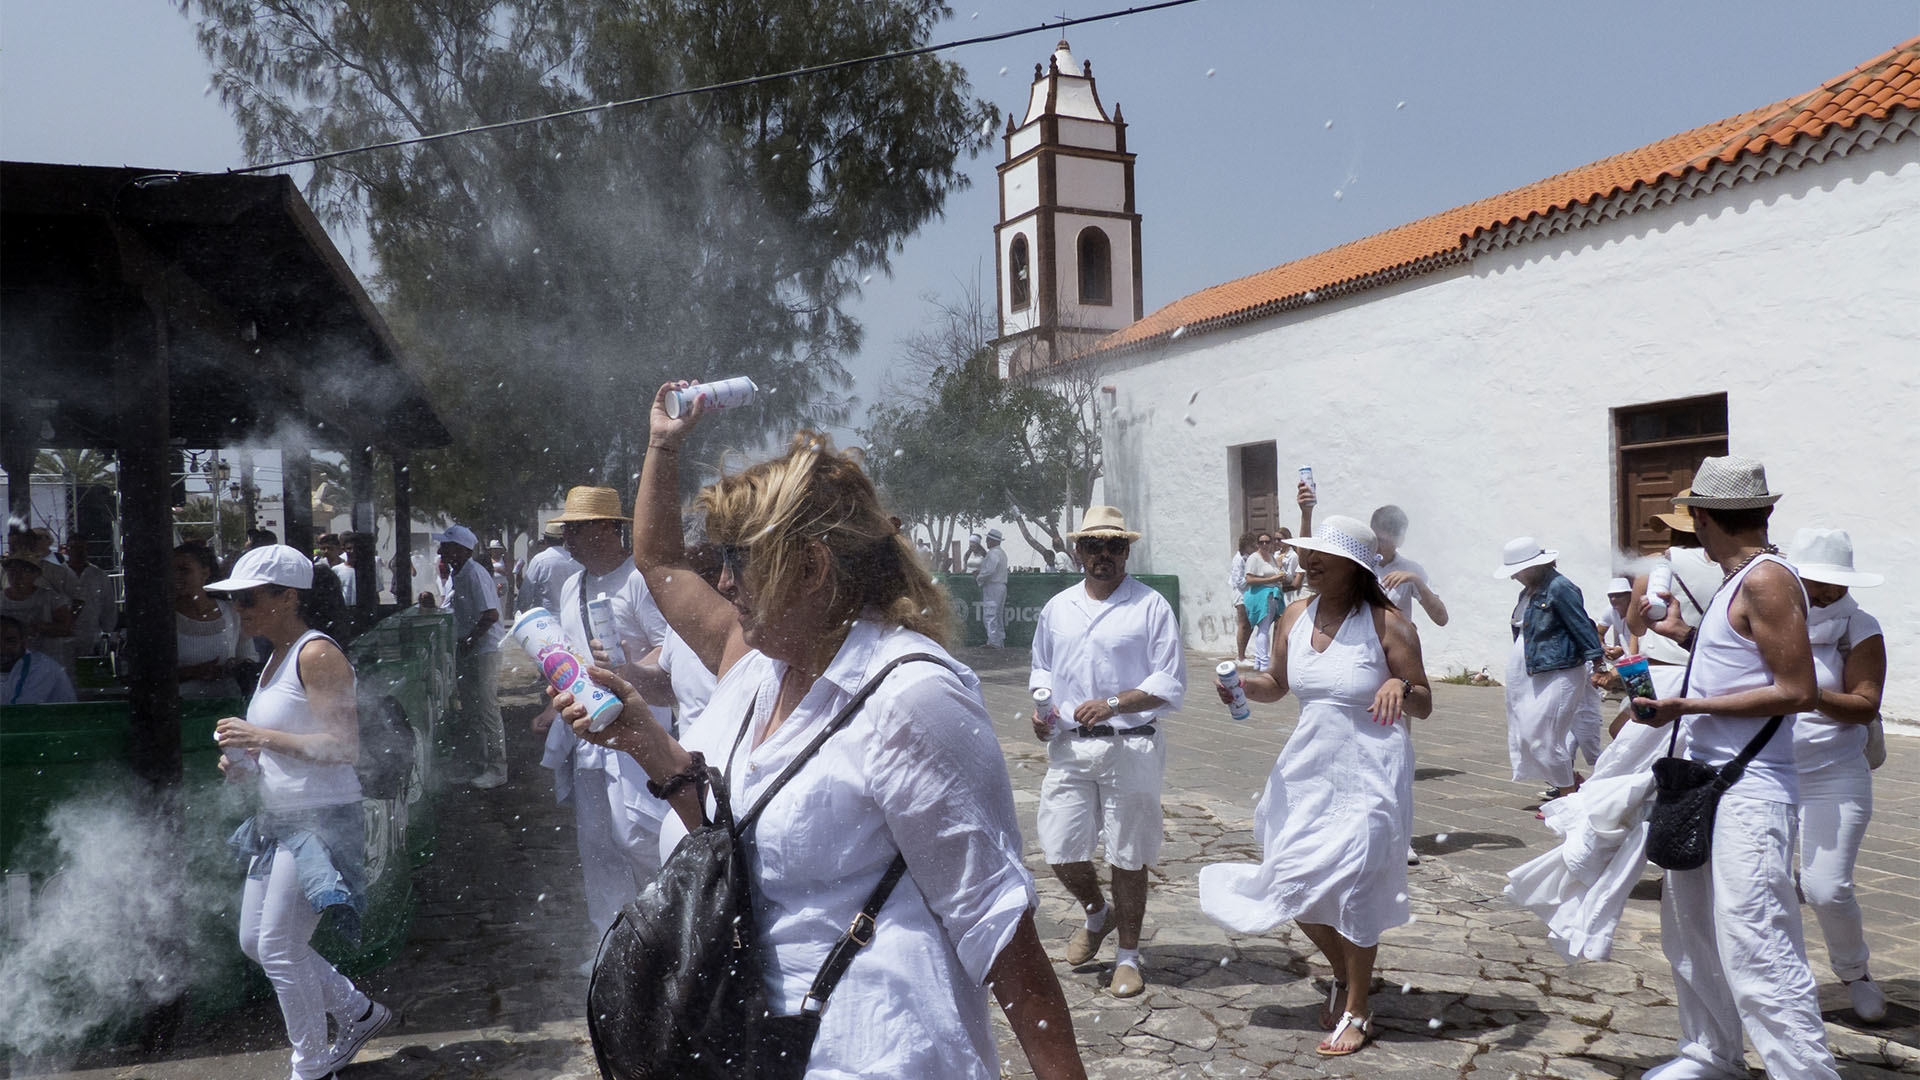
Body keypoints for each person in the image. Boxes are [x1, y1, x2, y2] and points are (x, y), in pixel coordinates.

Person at [555, 382, 1086, 1079]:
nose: (724, 581)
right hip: (755, 1042)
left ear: (811, 568)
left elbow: (996, 924)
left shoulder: (909, 696)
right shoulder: (758, 667)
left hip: (875, 1051)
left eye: (739, 560)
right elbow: (730, 837)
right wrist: (643, 741)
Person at [1630, 456, 1838, 1080]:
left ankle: (1804, 1072)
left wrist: (1687, 703)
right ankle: (1711, 1053)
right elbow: (1738, 661)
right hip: (1705, 779)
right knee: (1692, 931)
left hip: (1749, 787)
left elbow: (1797, 688)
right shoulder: (1737, 578)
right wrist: (1677, 643)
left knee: (1758, 941)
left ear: (1702, 517)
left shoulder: (1767, 580)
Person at [1198, 515, 1432, 1057]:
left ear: (1354, 566)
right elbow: (1277, 684)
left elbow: (1423, 699)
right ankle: (1345, 972)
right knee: (1294, 881)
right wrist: (1237, 685)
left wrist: (1399, 682)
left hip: (1372, 770)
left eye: (1321, 556)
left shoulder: (1388, 625)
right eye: (1306, 554)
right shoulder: (1295, 617)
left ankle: (1358, 1009)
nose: (1307, 562)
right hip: (1308, 770)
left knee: (1356, 886)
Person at [207, 545, 393, 1080]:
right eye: (234, 600)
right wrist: (247, 764)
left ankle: (310, 1067)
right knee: (255, 943)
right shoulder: (274, 657)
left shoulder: (316, 654)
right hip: (282, 818)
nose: (238, 610)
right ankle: (356, 1012)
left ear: (288, 597)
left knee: (280, 948)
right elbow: (291, 746)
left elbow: (342, 747)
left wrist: (257, 736)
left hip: (321, 817)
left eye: (247, 599)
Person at [1029, 506, 1186, 998]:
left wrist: (1116, 703)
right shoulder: (1058, 608)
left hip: (1131, 745)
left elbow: (1168, 682)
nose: (1103, 555)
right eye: (1093, 545)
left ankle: (1128, 956)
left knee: (1129, 855)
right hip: (1070, 748)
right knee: (1060, 849)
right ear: (1078, 550)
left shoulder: (1151, 606)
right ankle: (1098, 912)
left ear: (1127, 551)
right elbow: (1041, 670)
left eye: (1113, 546)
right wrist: (1043, 711)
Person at [531, 485, 674, 962]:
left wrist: (627, 669)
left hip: (638, 730)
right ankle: (614, 950)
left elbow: (668, 654)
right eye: (566, 530)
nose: (569, 539)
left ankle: (671, 932)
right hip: (588, 735)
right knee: (596, 844)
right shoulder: (573, 586)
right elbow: (570, 659)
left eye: (578, 528)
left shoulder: (640, 580)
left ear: (608, 528)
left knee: (641, 836)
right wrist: (555, 705)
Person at [1783, 527, 1888, 1023]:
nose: (1825, 593)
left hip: (1834, 772)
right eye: (1815, 583)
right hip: (1767, 773)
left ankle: (1855, 973)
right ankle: (1778, 981)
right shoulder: (1769, 617)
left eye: (1835, 585)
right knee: (1764, 886)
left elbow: (1865, 705)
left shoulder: (1858, 627)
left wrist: (1805, 693)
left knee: (1826, 887)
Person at [1498, 538, 1607, 801]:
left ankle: (1568, 799)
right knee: (1527, 734)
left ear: (1534, 566)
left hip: (1559, 671)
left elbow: (1581, 625)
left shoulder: (1560, 587)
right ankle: (1570, 784)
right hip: (1531, 672)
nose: (1514, 577)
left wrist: (1598, 662)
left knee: (1544, 738)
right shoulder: (1527, 593)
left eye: (1517, 570)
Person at [1621, 492, 1720, 733]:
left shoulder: (1656, 563)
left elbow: (1636, 626)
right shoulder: (1728, 565)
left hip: (1663, 676)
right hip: (1709, 675)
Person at [436, 525, 507, 788]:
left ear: (462, 550)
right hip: (470, 648)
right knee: (472, 710)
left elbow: (491, 615)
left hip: (484, 650)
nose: (440, 550)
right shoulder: (458, 573)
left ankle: (498, 768)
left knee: (487, 709)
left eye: (446, 545)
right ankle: (478, 764)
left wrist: (469, 640)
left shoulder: (475, 574)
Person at [173, 542, 245, 699]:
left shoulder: (232, 612)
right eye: (171, 570)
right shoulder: (163, 618)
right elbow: (150, 673)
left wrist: (233, 669)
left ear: (205, 573)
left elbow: (247, 658)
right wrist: (192, 673)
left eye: (184, 570)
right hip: (181, 709)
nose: (175, 576)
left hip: (226, 705)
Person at [1370, 506, 1448, 627]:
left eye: (1383, 541)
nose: (1376, 545)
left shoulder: (1410, 569)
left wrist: (1417, 581)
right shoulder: (1357, 564)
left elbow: (1441, 618)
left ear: (1398, 541)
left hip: (1395, 643)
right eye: (1374, 538)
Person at [1, 554, 73, 662]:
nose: (17, 575)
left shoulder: (50, 598)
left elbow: (67, 628)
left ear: (36, 574)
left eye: (24, 570)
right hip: (7, 665)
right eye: (12, 570)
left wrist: (42, 627)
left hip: (45, 661)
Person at [2, 614, 77, 704]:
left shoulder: (41, 668)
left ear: (24, 642)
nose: (2, 647)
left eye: (10, 641)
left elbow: (20, 712)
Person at [1241, 532, 1285, 670]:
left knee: (1264, 628)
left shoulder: (1272, 557)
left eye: (1267, 542)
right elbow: (1249, 579)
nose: (1265, 545)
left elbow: (1275, 574)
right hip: (1260, 596)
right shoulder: (1254, 558)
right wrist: (1272, 580)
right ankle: (1264, 662)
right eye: (1262, 542)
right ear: (1257, 544)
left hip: (1272, 595)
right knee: (1264, 629)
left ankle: (1259, 661)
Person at [518, 521, 581, 614]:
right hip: (571, 616)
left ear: (545, 540)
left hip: (546, 618)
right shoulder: (575, 559)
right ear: (564, 540)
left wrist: (521, 613)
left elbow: (527, 591)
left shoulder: (539, 560)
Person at [65, 538, 115, 644]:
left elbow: (108, 606)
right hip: (62, 639)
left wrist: (107, 632)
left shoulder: (99, 575)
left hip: (92, 637)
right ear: (66, 550)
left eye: (81, 548)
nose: (77, 551)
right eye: (73, 547)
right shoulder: (57, 574)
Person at [974, 528, 1011, 648]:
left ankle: (993, 641)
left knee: (990, 614)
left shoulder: (993, 553)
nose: (986, 542)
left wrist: (979, 576)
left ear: (993, 541)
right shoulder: (1001, 553)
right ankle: (998, 641)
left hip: (993, 586)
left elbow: (989, 571)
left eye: (988, 540)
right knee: (997, 614)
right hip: (1000, 585)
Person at [1228, 532, 1255, 664]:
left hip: (1249, 593)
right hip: (1240, 594)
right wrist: (1252, 579)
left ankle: (1243, 653)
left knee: (1250, 625)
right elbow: (1238, 581)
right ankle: (1240, 656)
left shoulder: (1249, 558)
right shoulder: (1238, 559)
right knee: (1243, 624)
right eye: (1251, 545)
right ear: (1245, 546)